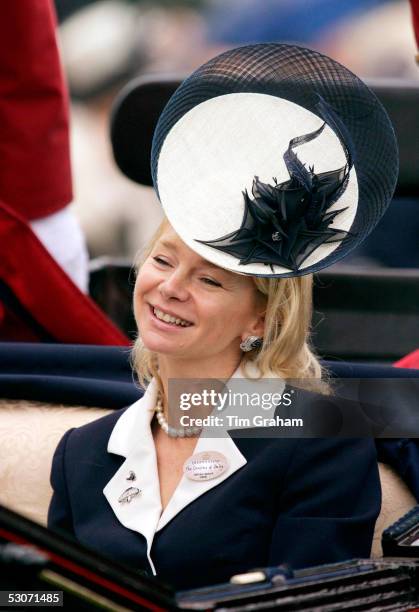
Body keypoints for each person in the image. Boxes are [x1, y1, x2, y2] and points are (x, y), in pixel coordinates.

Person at [48, 43, 398, 590]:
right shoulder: (84, 452)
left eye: (210, 280)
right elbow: (40, 596)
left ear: (261, 320)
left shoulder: (322, 437)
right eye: (162, 261)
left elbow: (316, 599)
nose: (170, 288)